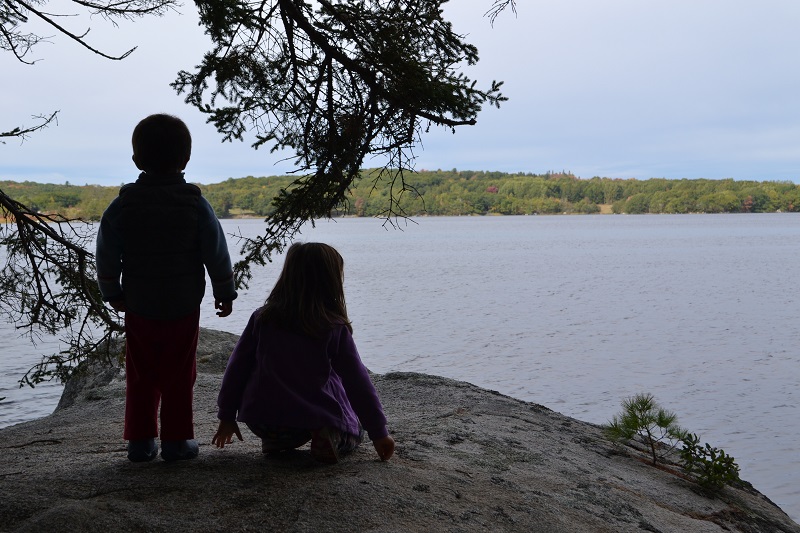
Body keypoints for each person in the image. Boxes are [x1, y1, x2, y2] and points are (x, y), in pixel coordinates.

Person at [96, 113, 237, 462]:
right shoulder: (195, 204)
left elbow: (106, 253)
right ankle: (177, 442)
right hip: (183, 305)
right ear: (185, 159)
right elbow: (216, 252)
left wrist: (111, 291)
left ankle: (140, 442)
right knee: (179, 373)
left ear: (136, 160)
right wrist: (224, 290)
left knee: (141, 373)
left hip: (139, 305)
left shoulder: (123, 206)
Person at [212, 242, 395, 464]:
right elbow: (357, 382)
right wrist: (379, 432)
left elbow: (237, 368)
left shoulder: (262, 318)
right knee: (355, 427)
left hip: (264, 422)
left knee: (280, 403)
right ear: (331, 282)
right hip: (311, 418)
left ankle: (277, 442)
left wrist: (227, 415)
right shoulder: (332, 327)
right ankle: (327, 437)